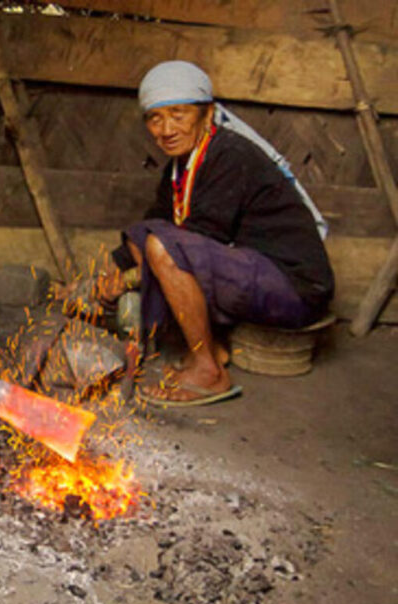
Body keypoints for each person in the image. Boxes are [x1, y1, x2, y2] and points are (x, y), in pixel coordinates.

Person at [98, 61, 334, 407]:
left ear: (206, 114)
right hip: (249, 271)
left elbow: (199, 237)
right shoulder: (182, 165)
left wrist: (130, 279)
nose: (165, 129)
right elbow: (154, 221)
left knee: (165, 247)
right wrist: (108, 275)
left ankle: (209, 371)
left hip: (294, 287)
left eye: (178, 115)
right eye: (155, 118)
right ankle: (216, 346)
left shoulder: (230, 155)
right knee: (143, 234)